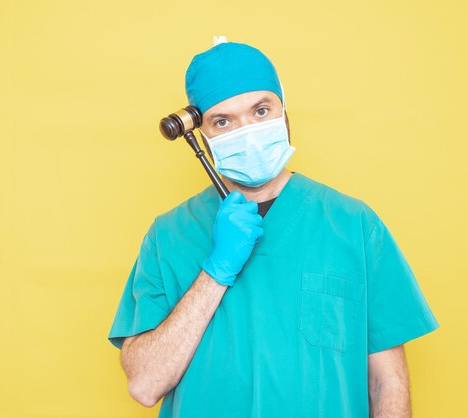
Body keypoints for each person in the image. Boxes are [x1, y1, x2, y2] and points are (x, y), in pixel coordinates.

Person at [107, 37, 439, 418]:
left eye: (261, 110)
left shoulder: (353, 224)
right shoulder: (168, 236)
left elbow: (388, 383)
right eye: (223, 121)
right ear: (202, 136)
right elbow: (145, 385)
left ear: (285, 112)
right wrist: (216, 270)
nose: (247, 131)